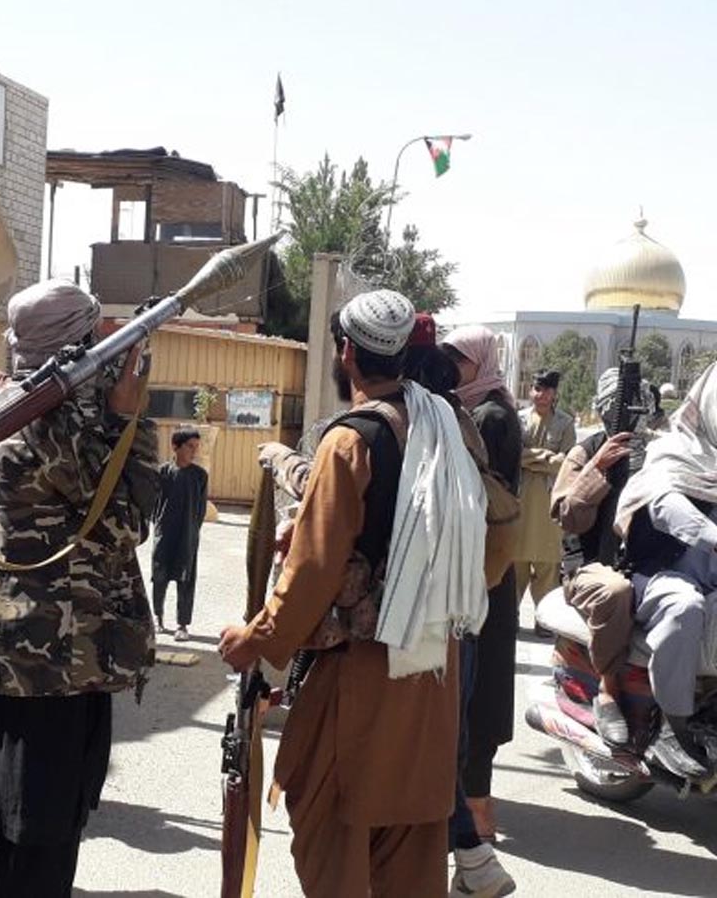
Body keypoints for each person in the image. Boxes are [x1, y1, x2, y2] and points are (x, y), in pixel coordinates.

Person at [219, 291, 489, 897]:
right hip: (433, 674)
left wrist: (255, 639)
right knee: (411, 852)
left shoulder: (351, 442)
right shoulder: (448, 427)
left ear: (346, 352)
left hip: (362, 679)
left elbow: (314, 569)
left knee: (332, 836)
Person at [0, 280, 158, 898]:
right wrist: (128, 418)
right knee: (43, 836)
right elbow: (127, 521)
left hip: (7, 647)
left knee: (19, 836)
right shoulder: (55, 417)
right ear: (78, 339)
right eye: (95, 333)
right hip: (55, 655)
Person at [613, 362, 717, 780]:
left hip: (711, 579)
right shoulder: (674, 451)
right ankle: (673, 725)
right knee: (685, 607)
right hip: (661, 575)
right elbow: (664, 506)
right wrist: (712, 535)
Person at [441, 325, 522, 844]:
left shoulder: (489, 416)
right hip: (488, 562)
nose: (452, 367)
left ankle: (477, 814)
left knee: (479, 687)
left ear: (480, 361)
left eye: (458, 358)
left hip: (485, 567)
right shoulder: (483, 407)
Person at [549, 368, 647, 745]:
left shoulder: (655, 453)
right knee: (615, 591)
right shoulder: (586, 451)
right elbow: (569, 517)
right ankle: (607, 689)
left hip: (645, 562)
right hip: (589, 567)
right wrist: (598, 468)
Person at [514, 370, 575, 612]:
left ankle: (545, 620)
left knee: (548, 567)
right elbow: (515, 455)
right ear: (531, 390)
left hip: (549, 504)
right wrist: (547, 458)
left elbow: (567, 462)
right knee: (516, 565)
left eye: (547, 390)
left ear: (554, 393)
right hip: (521, 500)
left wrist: (531, 458)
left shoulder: (565, 423)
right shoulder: (518, 420)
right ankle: (511, 620)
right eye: (537, 389)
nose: (542, 395)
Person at [151, 427, 208, 641]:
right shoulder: (163, 472)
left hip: (188, 534)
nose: (194, 451)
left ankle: (182, 624)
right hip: (165, 532)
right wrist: (158, 524)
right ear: (175, 447)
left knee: (186, 578)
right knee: (159, 576)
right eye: (190, 447)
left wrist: (193, 530)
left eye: (196, 447)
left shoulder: (200, 476)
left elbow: (201, 509)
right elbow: (153, 502)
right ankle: (158, 617)